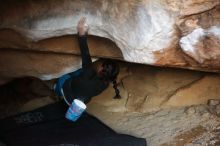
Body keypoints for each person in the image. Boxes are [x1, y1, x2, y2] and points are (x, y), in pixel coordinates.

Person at [54, 17, 121, 106]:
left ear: (101, 68)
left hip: (68, 96)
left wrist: (82, 34)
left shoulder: (88, 72)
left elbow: (85, 54)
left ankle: (57, 90)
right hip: (81, 101)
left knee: (64, 77)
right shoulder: (105, 84)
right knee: (80, 73)